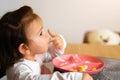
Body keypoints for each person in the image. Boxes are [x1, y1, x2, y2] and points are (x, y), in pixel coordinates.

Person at [0, 6, 93, 80]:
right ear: (24, 48)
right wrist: (74, 78)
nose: (45, 34)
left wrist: (58, 45)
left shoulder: (34, 55)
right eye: (40, 33)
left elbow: (51, 54)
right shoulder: (19, 71)